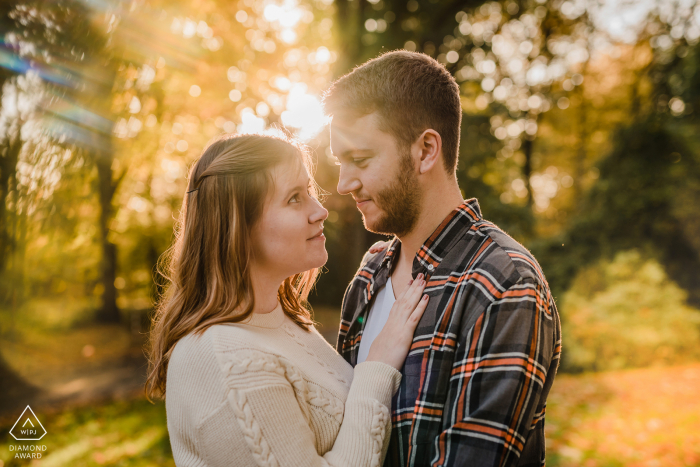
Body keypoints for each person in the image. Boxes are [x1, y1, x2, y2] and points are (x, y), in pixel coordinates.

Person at [323, 50, 562, 467]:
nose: (344, 184)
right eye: (340, 163)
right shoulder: (369, 275)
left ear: (426, 150)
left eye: (359, 160)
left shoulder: (504, 284)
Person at [145, 133, 431, 467]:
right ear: (239, 226)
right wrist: (377, 368)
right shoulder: (230, 361)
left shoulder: (281, 321)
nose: (320, 211)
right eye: (295, 198)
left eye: (308, 191)